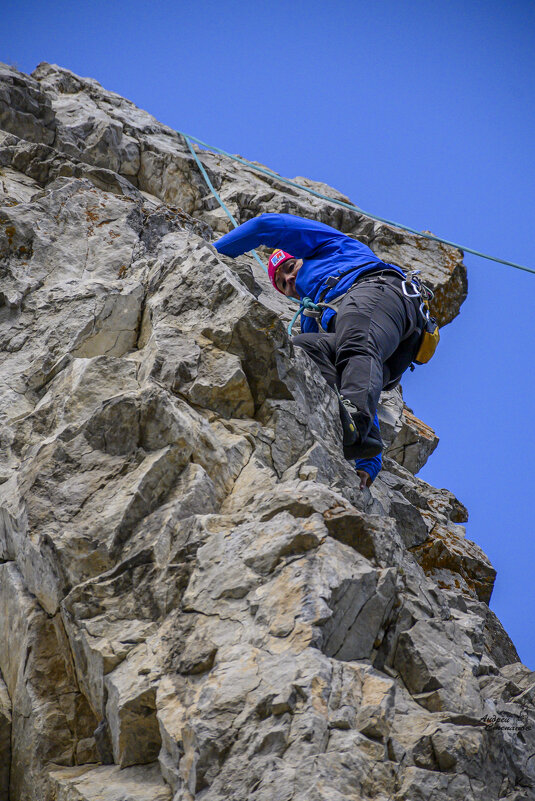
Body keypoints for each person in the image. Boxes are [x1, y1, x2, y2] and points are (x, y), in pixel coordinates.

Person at [214, 212, 425, 487]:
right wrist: (369, 462)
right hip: (389, 350)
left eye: (290, 267)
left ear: (300, 255)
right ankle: (354, 429)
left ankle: (354, 417)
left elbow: (265, 225)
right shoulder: (312, 318)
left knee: (356, 344)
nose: (289, 279)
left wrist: (211, 253)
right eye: (282, 284)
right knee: (305, 348)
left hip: (378, 291)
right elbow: (350, 371)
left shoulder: (330, 247)